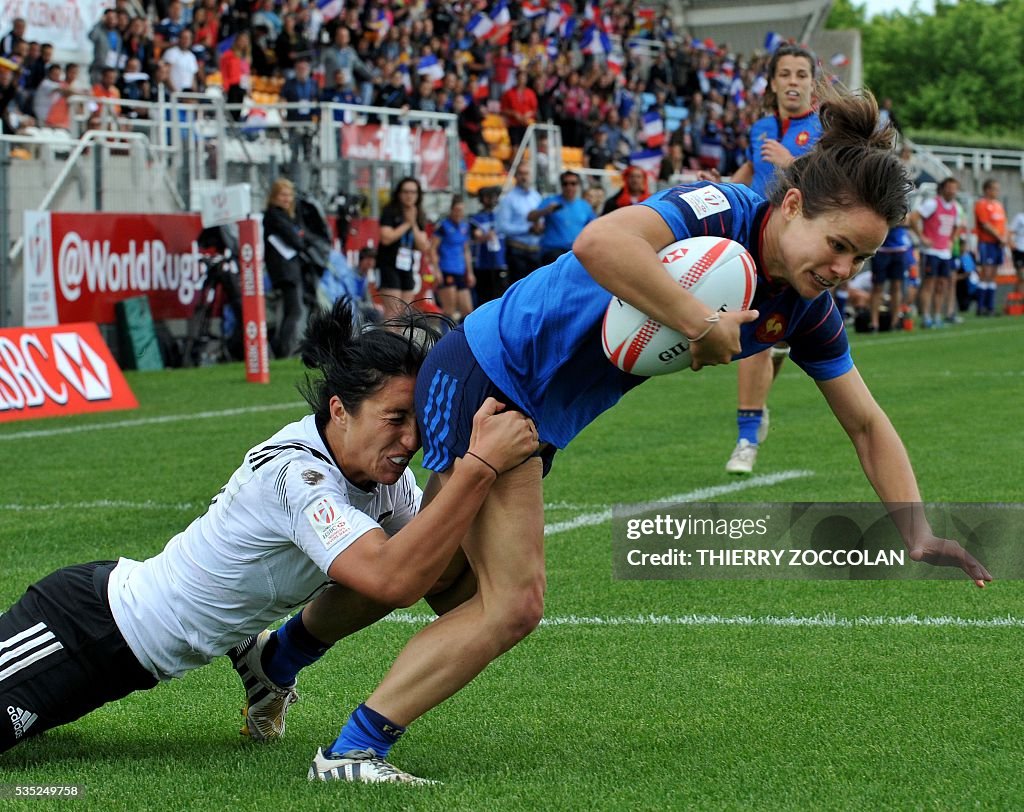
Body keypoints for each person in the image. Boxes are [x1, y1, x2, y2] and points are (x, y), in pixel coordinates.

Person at [264, 90, 990, 786]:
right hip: (495, 372)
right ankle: (354, 749)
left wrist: (916, 529)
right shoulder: (720, 209)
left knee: (435, 578)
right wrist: (700, 322)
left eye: (859, 260)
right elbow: (601, 240)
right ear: (792, 205)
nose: (841, 272)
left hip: (531, 408)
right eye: (837, 246)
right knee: (511, 603)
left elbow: (865, 421)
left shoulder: (804, 310)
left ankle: (276, 660)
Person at [0, 299, 538, 756]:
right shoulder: (298, 476)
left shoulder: (379, 474)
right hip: (85, 625)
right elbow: (394, 581)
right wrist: (477, 468)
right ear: (340, 409)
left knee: (406, 552)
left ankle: (275, 658)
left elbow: (437, 579)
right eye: (395, 419)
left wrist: (478, 468)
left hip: (123, 665)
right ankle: (276, 658)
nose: (410, 441)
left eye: (419, 424)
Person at [703, 44, 823, 475]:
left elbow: (834, 187)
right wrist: (720, 185)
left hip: (806, 249)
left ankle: (757, 409)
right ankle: (746, 438)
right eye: (785, 74)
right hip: (759, 243)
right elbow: (754, 171)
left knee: (779, 338)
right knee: (757, 336)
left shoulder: (823, 129)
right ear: (772, 83)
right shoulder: (761, 128)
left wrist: (793, 163)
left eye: (801, 74)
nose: (793, 81)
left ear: (813, 82)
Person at [264, 177, 311, 358]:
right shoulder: (274, 215)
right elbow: (296, 239)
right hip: (285, 270)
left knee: (292, 310)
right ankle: (285, 350)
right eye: (283, 195)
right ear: (275, 196)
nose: (287, 199)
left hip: (288, 269)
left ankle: (285, 348)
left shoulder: (285, 215)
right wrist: (300, 238)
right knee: (294, 311)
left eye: (289, 195)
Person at [909, 177, 963, 329]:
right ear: (943, 188)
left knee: (942, 285)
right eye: (950, 187)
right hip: (931, 251)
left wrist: (952, 239)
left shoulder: (955, 207)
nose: (952, 191)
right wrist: (922, 237)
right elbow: (913, 217)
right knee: (929, 283)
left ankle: (937, 316)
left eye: (955, 188)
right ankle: (926, 316)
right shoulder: (933, 203)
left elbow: (959, 225)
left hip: (945, 252)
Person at [377, 176, 431, 317]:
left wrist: (413, 223)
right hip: (389, 264)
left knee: (404, 313)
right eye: (406, 192)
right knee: (392, 312)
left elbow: (422, 245)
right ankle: (388, 339)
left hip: (407, 265)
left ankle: (399, 339)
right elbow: (386, 238)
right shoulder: (390, 211)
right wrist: (406, 223)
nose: (409, 196)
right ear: (399, 194)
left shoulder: (418, 214)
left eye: (413, 192)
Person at [529, 170, 596, 266]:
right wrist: (546, 211)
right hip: (553, 251)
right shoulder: (551, 201)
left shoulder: (584, 205)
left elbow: (594, 226)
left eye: (573, 183)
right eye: (565, 184)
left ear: (578, 185)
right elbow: (530, 217)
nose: (569, 187)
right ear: (561, 185)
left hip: (576, 252)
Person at [495, 163, 543, 284]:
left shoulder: (536, 196)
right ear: (516, 176)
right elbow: (502, 227)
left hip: (535, 250)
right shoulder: (508, 199)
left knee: (536, 288)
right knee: (519, 288)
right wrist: (527, 229)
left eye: (526, 173)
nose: (524, 177)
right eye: (521, 173)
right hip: (517, 251)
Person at [431, 198, 475, 322]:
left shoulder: (464, 226)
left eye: (461, 210)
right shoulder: (443, 226)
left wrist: (470, 272)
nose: (458, 213)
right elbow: (432, 249)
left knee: (467, 310)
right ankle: (443, 337)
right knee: (449, 310)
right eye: (456, 210)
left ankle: (463, 338)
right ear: (451, 210)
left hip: (460, 270)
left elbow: (466, 250)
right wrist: (436, 270)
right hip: (446, 269)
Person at [972, 178, 1007, 316]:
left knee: (993, 275)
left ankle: (990, 307)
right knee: (985, 273)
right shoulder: (981, 204)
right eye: (994, 189)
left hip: (998, 244)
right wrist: (1000, 237)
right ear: (987, 190)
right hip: (986, 243)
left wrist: (1005, 238)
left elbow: (1003, 224)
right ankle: (981, 307)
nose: (997, 192)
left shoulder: (998, 205)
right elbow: (985, 224)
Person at [469, 186, 509, 304]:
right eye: (487, 196)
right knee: (484, 298)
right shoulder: (476, 219)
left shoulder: (501, 216)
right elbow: (476, 235)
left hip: (500, 262)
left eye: (493, 196)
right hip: (483, 265)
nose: (491, 199)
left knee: (501, 296)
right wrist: (485, 236)